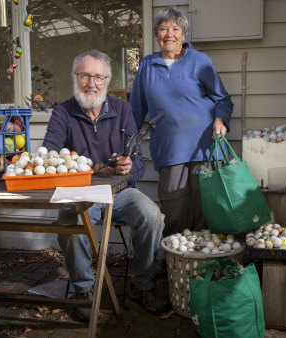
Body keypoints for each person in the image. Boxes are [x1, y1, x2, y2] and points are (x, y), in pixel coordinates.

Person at [43, 50, 170, 321]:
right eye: (85, 76)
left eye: (98, 77)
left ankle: (142, 285)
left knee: (152, 216)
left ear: (107, 80)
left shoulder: (123, 109)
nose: (91, 83)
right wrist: (97, 168)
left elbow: (138, 160)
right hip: (80, 192)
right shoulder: (62, 112)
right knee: (70, 220)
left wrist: (127, 166)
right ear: (75, 78)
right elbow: (49, 157)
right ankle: (83, 292)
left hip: (120, 191)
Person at [129, 6, 234, 238]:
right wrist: (125, 145)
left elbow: (223, 100)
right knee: (173, 212)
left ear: (183, 35)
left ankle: (203, 267)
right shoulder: (147, 66)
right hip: (170, 152)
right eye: (163, 29)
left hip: (205, 149)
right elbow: (135, 110)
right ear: (156, 35)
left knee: (205, 214)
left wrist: (220, 119)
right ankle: (172, 266)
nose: (169, 34)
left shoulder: (200, 61)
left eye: (175, 29)